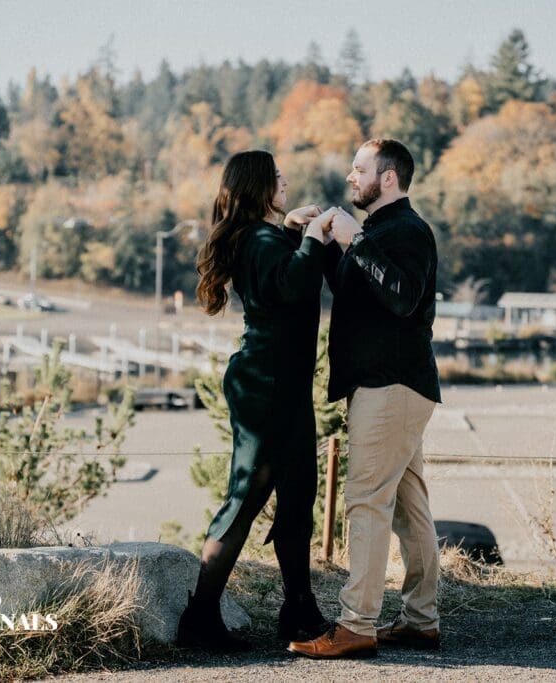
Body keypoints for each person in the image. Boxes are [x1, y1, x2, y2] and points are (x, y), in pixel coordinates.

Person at [289, 139, 442, 659]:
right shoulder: (376, 232)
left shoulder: (409, 231)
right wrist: (312, 236)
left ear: (390, 178)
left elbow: (401, 297)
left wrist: (356, 243)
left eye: (360, 169)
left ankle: (357, 624)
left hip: (391, 385)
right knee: (408, 504)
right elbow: (352, 289)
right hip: (392, 386)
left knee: (365, 503)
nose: (350, 177)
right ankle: (421, 620)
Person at [178, 150, 336, 651]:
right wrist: (310, 238)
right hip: (265, 387)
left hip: (281, 385)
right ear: (257, 187)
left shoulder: (263, 236)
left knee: (298, 496)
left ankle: (300, 611)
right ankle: (200, 620)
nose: (285, 178)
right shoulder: (259, 239)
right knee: (246, 497)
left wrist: (292, 230)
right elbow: (287, 288)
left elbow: (279, 275)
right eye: (276, 175)